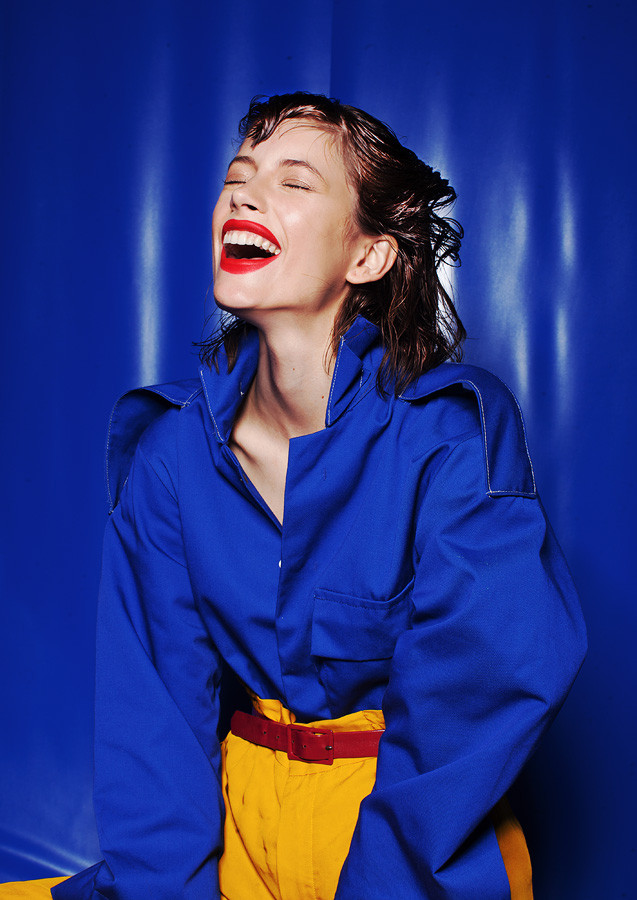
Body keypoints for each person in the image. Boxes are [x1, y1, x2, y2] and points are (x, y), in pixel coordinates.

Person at [2, 92, 586, 900]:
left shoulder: (449, 440)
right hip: (240, 825)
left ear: (368, 256)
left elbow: (476, 701)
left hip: (413, 840)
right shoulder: (169, 455)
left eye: (292, 182)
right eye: (237, 176)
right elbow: (155, 726)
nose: (244, 195)